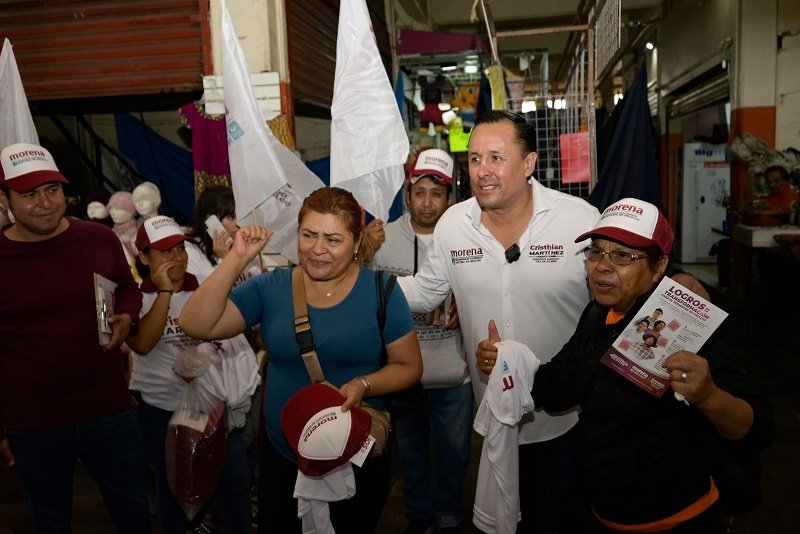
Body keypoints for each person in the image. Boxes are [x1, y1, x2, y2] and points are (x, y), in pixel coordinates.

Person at [396, 110, 706, 533]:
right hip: (495, 416)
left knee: (566, 519)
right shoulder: (453, 226)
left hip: (571, 417)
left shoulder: (577, 219)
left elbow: (626, 275)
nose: (481, 171)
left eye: (495, 158)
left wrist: (682, 283)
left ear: (528, 164)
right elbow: (427, 290)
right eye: (473, 159)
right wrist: (362, 290)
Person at [479, 197, 774, 532]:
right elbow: (560, 387)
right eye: (596, 251)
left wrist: (709, 396)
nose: (602, 266)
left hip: (678, 521)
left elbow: (759, 426)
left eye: (622, 256)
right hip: (604, 516)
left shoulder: (687, 326)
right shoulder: (596, 315)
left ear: (659, 266)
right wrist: (506, 361)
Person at [179, 186, 423, 533]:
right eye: (308, 235)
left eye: (333, 240)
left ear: (356, 242)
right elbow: (196, 323)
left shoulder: (381, 290)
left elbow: (410, 366)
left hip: (354, 455)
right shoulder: (272, 287)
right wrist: (236, 258)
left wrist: (364, 384)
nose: (317, 249)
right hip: (284, 460)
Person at [0, 142, 151, 533]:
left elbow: (128, 288)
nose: (46, 202)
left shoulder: (97, 239)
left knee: (134, 514)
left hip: (108, 412)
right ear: (5, 200)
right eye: (29, 194)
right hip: (33, 425)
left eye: (52, 189)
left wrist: (127, 317)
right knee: (49, 521)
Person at [127, 216, 258, 534]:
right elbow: (143, 343)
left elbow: (229, 335)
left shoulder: (204, 288)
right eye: (164, 251)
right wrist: (164, 293)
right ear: (144, 257)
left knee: (235, 482)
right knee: (173, 488)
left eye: (179, 249)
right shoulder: (135, 298)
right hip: (161, 410)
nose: (176, 257)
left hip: (212, 408)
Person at [371, 148, 472, 534]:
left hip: (452, 375)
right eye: (420, 191)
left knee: (454, 455)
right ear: (408, 193)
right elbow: (364, 296)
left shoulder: (464, 239)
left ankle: (448, 516)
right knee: (411, 455)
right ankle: (419, 517)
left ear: (450, 198)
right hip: (401, 375)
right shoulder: (382, 239)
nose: (427, 202)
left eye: (437, 193)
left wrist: (463, 304)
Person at [186, 184, 261, 284]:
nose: (238, 224)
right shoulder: (191, 253)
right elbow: (209, 296)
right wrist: (225, 261)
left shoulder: (242, 244)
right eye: (231, 217)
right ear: (210, 220)